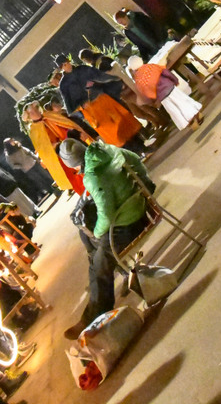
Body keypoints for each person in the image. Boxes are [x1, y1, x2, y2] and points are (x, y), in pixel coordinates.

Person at [57, 138, 155, 339]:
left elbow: (107, 214)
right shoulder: (106, 150)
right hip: (140, 207)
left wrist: (98, 233)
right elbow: (135, 160)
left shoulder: (92, 176)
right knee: (87, 238)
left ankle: (95, 316)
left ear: (74, 165)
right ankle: (109, 272)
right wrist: (145, 186)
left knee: (98, 255)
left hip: (129, 224)